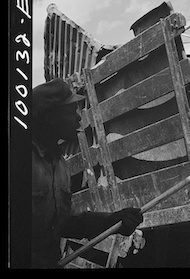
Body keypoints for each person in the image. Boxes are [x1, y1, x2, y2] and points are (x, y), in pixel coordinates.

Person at [31, 78, 142, 268]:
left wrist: (112, 221)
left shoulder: (59, 165)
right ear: (51, 118)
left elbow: (65, 222)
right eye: (71, 111)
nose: (79, 118)